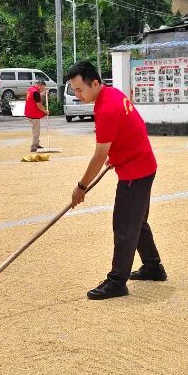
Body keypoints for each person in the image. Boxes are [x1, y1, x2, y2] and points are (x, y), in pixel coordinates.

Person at [67, 60, 165, 300]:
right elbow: (128, 129)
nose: (77, 95)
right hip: (142, 164)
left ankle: (117, 281)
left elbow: (99, 154)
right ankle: (153, 266)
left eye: (79, 90)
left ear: (95, 84)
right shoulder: (111, 94)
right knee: (137, 221)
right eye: (74, 90)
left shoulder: (106, 108)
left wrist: (81, 187)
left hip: (136, 171)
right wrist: (118, 155)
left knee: (124, 225)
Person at [25, 80, 48, 152]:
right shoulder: (36, 93)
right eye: (43, 88)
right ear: (40, 86)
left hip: (29, 112)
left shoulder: (31, 89)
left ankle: (37, 144)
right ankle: (34, 146)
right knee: (36, 131)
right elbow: (39, 105)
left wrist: (43, 94)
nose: (43, 89)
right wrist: (45, 111)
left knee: (36, 129)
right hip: (33, 114)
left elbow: (35, 96)